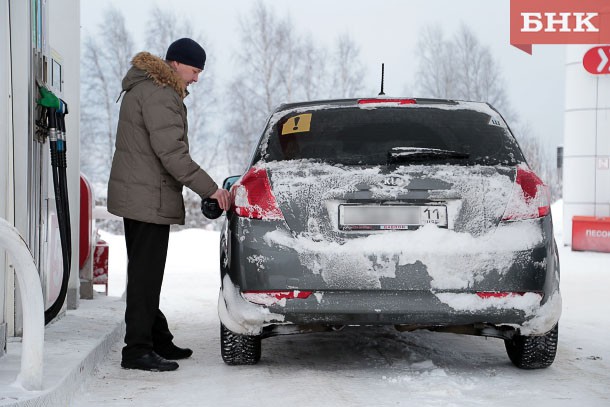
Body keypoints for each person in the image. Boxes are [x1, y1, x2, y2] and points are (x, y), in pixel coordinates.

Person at [107, 38, 231, 372]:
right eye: (194, 70)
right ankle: (137, 350)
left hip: (140, 195)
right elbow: (172, 153)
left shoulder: (145, 88)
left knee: (144, 274)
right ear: (175, 64)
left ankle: (156, 337)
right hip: (148, 197)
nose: (196, 79)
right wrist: (210, 189)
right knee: (145, 277)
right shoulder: (160, 94)